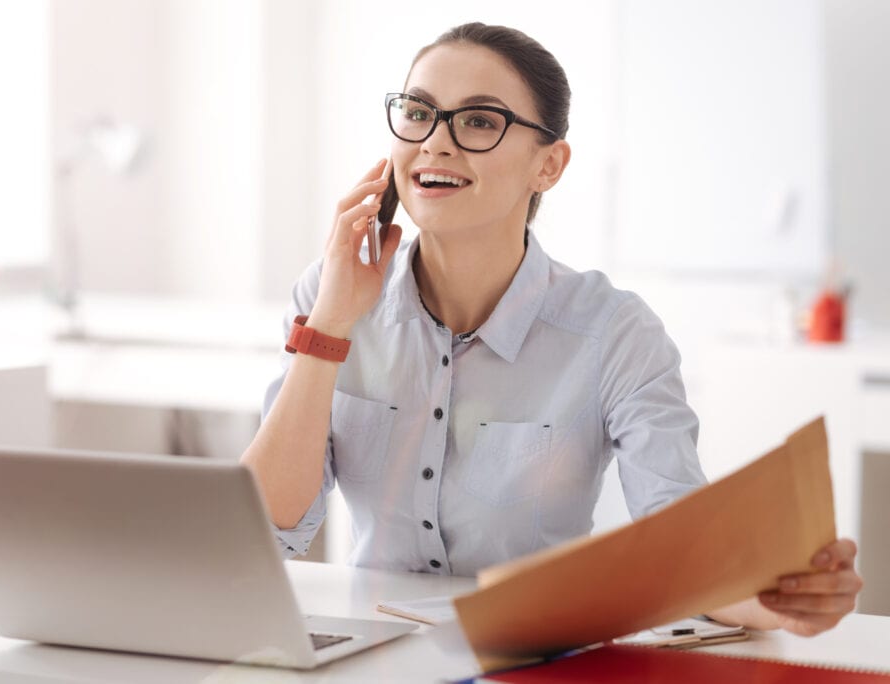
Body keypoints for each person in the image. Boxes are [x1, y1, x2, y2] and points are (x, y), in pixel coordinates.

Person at [241, 22, 862, 637]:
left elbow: (684, 541)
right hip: (369, 647)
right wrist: (329, 325)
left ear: (549, 165)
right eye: (419, 111)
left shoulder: (615, 331)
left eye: (480, 121)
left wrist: (778, 599)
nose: (435, 142)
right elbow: (267, 528)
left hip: (531, 655)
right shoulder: (330, 296)